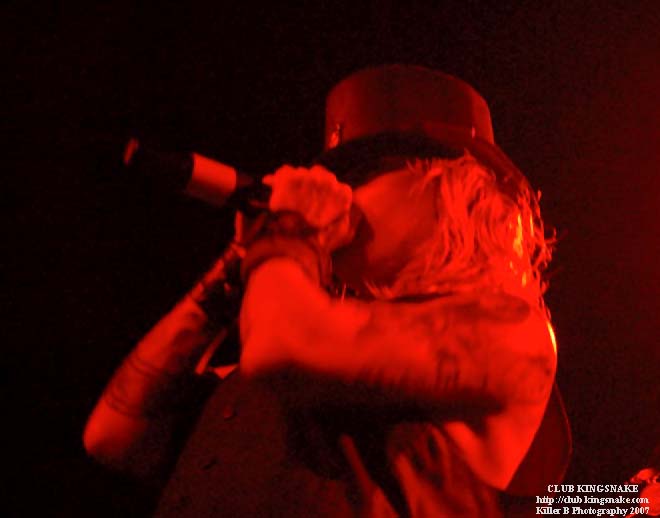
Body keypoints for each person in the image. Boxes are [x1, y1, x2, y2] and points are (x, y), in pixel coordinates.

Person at [84, 64, 571, 517]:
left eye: (360, 175)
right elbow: (111, 435)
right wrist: (230, 275)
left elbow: (283, 347)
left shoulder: (512, 333)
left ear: (453, 189)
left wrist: (289, 230)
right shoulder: (289, 341)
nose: (334, 190)